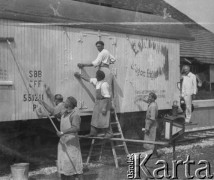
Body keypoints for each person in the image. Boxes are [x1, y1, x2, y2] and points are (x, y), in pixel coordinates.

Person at [74, 70, 113, 138]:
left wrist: (104, 108)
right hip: (98, 102)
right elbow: (88, 79)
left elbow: (107, 97)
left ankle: (109, 133)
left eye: (96, 75)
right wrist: (80, 75)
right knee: (94, 118)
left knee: (104, 118)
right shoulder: (97, 81)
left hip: (104, 102)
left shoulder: (104, 84)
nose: (95, 76)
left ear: (100, 76)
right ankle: (93, 133)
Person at [57, 96, 83, 180]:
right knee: (64, 165)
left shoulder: (74, 115)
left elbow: (76, 128)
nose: (65, 102)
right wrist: (43, 104)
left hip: (72, 142)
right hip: (63, 142)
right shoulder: (64, 113)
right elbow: (52, 112)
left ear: (70, 104)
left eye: (67, 101)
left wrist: (63, 132)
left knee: (75, 164)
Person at [143, 92, 159, 157]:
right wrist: (141, 99)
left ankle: (154, 154)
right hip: (151, 123)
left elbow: (152, 118)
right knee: (153, 138)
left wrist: (148, 127)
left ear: (153, 98)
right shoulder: (153, 103)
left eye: (150, 97)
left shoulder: (152, 106)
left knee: (151, 139)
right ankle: (155, 152)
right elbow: (147, 101)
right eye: (148, 96)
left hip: (151, 124)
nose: (148, 98)